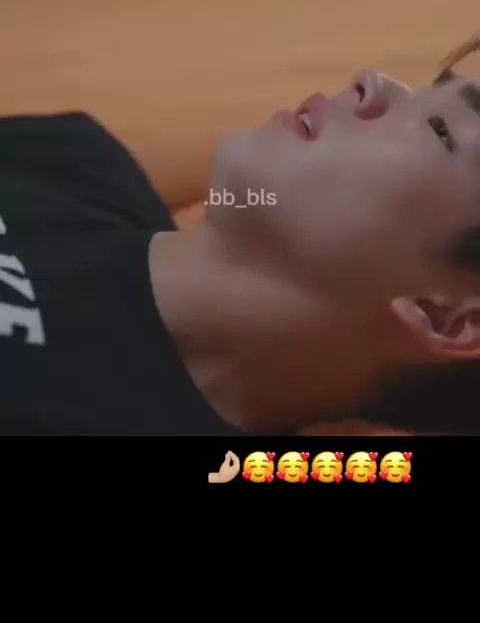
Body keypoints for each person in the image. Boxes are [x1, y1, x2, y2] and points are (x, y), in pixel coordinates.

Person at [3, 38, 480, 435]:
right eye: (430, 87)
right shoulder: (73, 163)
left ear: (448, 317)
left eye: (441, 131)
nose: (370, 81)